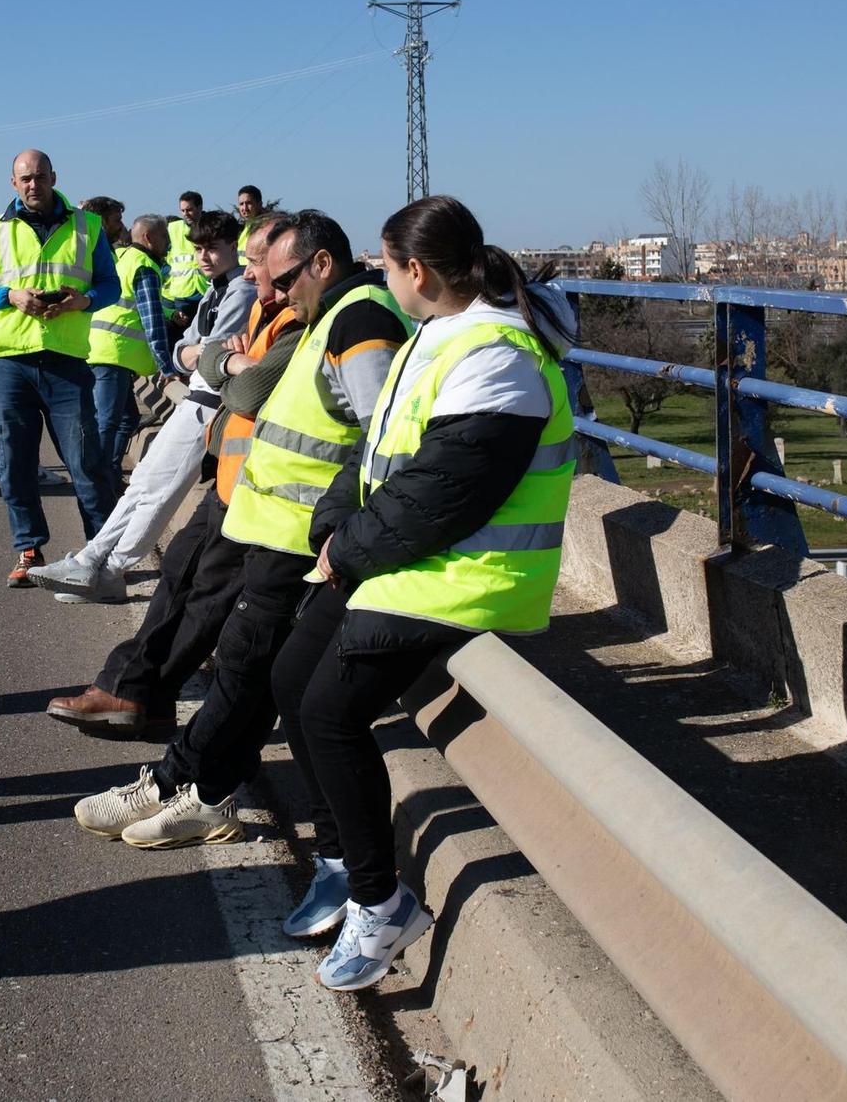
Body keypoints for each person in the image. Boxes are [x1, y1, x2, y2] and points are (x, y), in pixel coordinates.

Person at [271, 195, 576, 991]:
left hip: (470, 576)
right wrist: (333, 529)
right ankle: (341, 859)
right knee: (288, 677)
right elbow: (378, 450)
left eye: (385, 263)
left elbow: (445, 493)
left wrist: (350, 548)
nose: (381, 277)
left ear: (416, 270)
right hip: (411, 563)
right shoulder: (436, 337)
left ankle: (383, 901)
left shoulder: (500, 356)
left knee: (330, 711)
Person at [73, 211, 408, 846]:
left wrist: (343, 533)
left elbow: (379, 441)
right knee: (250, 671)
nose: (270, 292)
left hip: (304, 538)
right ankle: (195, 786)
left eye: (280, 277)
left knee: (245, 668)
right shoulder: (326, 315)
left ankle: (186, 785)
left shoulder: (359, 318)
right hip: (275, 527)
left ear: (322, 264)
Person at [46, 215, 301, 734]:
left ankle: (143, 697)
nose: (251, 273)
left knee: (204, 593)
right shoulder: (254, 303)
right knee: (180, 563)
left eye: (256, 260)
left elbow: (238, 381)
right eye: (249, 261)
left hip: (265, 489)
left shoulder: (296, 318)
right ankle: (132, 685)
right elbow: (194, 352)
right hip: (235, 473)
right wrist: (218, 362)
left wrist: (219, 364)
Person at [26, 211, 251, 602]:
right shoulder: (215, 291)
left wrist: (196, 352)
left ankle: (110, 570)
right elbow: (184, 350)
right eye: (198, 248)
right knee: (143, 482)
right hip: (195, 398)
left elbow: (209, 353)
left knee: (158, 492)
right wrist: (194, 352)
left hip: (211, 404)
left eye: (213, 249)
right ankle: (91, 560)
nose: (204, 257)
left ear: (234, 247)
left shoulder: (241, 292)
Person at [0, 149, 121, 586]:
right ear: (13, 184)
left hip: (66, 363)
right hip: (9, 362)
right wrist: (10, 296)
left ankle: (99, 554)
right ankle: (29, 548)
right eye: (25, 179)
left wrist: (83, 300)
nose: (33, 185)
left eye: (39, 177)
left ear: (54, 177)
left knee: (86, 462)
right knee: (15, 462)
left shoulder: (87, 227)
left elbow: (110, 284)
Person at [87, 212, 180, 499]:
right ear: (149, 238)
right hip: (114, 354)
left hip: (107, 350)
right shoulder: (144, 267)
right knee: (109, 422)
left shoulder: (125, 258)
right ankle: (99, 483)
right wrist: (165, 365)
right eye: (165, 237)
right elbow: (151, 320)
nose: (169, 244)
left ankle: (110, 476)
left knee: (126, 417)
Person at [163, 191, 208, 320]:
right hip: (182, 294)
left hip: (205, 289)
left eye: (189, 210)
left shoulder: (210, 227)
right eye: (182, 211)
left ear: (200, 207)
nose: (185, 214)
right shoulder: (173, 228)